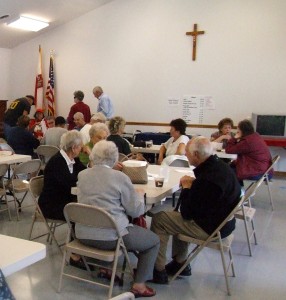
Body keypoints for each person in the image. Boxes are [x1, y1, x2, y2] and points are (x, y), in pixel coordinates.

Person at [150, 136, 241, 284]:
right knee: (174, 216)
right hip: (225, 223)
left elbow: (187, 213)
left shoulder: (207, 180)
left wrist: (186, 188)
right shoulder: (220, 167)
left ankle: (158, 271)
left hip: (212, 228)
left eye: (187, 152)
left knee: (160, 218)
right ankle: (180, 263)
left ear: (196, 155)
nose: (185, 154)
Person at [76, 140, 159, 298]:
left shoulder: (82, 175)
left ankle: (105, 268)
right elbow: (135, 212)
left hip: (82, 233)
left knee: (103, 220)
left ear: (93, 157)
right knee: (153, 241)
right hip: (111, 238)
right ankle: (139, 285)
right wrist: (140, 196)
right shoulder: (120, 178)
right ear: (115, 159)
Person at [38, 130, 85, 221]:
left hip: (65, 200)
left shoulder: (74, 160)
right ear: (74, 148)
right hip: (52, 205)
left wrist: (91, 155)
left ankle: (77, 234)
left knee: (89, 209)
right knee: (85, 214)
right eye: (81, 146)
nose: (82, 149)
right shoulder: (57, 162)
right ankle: (75, 235)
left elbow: (86, 173)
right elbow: (69, 185)